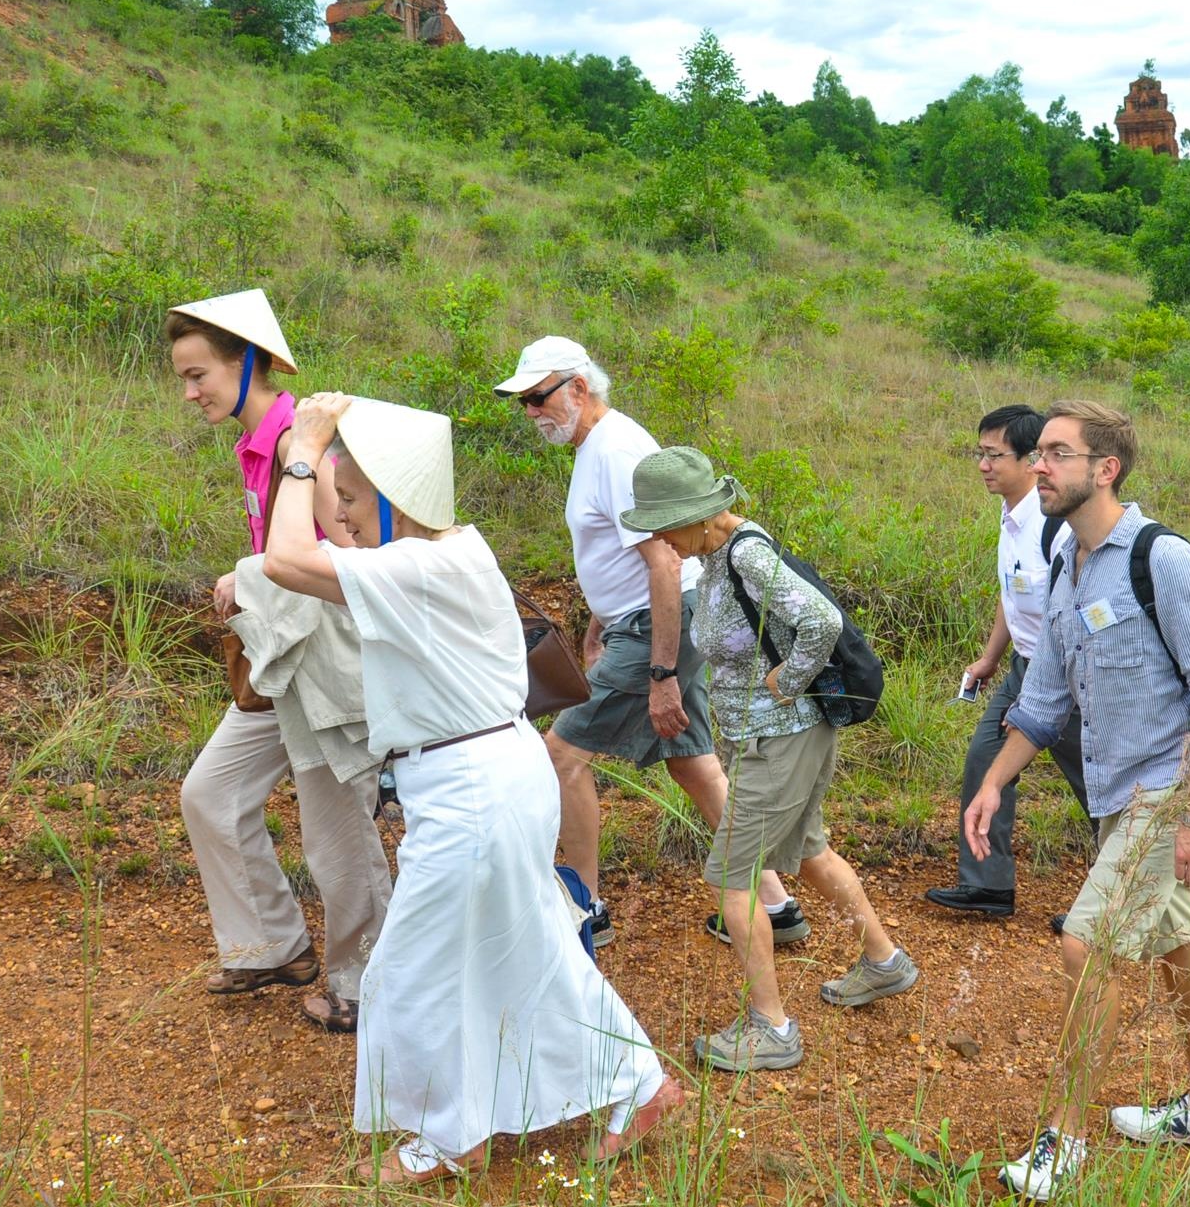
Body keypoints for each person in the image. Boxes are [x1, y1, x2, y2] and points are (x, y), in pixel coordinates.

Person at [262, 392, 681, 1182]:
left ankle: (447, 1134)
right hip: (495, 774)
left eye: (352, 502)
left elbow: (286, 558)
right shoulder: (453, 549)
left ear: (393, 500)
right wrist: (324, 457)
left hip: (471, 790)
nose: (340, 518)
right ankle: (640, 1085)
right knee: (530, 949)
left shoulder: (418, 566)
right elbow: (322, 531)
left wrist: (303, 446)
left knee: (409, 969)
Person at [964, 401, 1190, 1202]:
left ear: (1105, 468)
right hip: (1117, 796)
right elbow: (1045, 699)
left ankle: (1068, 1136)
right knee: (1175, 948)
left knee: (1090, 943)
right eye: (1040, 453)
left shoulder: (1164, 559)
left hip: (1166, 791)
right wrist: (993, 780)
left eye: (1057, 453)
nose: (1038, 466)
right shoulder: (1067, 566)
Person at [617, 447, 918, 1072]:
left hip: (780, 739)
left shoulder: (745, 555)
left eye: (663, 524)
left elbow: (821, 621)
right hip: (784, 737)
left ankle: (771, 1028)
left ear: (698, 515)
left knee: (734, 877)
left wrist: (789, 678)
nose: (658, 538)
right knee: (809, 851)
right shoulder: (725, 551)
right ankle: (884, 962)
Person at [496, 336, 800, 948]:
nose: (531, 412)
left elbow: (664, 561)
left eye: (537, 397)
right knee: (693, 765)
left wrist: (660, 673)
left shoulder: (616, 452)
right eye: (523, 402)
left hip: (659, 623)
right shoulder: (597, 446)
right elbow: (616, 554)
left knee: (562, 755)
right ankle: (776, 903)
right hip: (647, 620)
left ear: (579, 388)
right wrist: (596, 624)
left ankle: (586, 906)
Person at [166, 289, 392, 1032]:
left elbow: (356, 558)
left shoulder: (310, 450)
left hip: (328, 672)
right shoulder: (258, 443)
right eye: (184, 378)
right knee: (211, 791)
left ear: (249, 362)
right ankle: (271, 943)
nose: (191, 391)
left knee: (339, 834)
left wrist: (253, 572)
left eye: (200, 373)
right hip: (281, 665)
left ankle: (366, 982)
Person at [924, 404, 1090, 920]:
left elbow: (1080, 609)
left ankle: (1130, 889)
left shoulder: (1056, 527)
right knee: (985, 761)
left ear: (1029, 460)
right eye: (981, 454)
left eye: (994, 455)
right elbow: (1012, 592)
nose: (983, 465)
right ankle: (987, 885)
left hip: (1068, 675)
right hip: (1024, 667)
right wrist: (990, 657)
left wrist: (1048, 687)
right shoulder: (1011, 515)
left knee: (1098, 781)